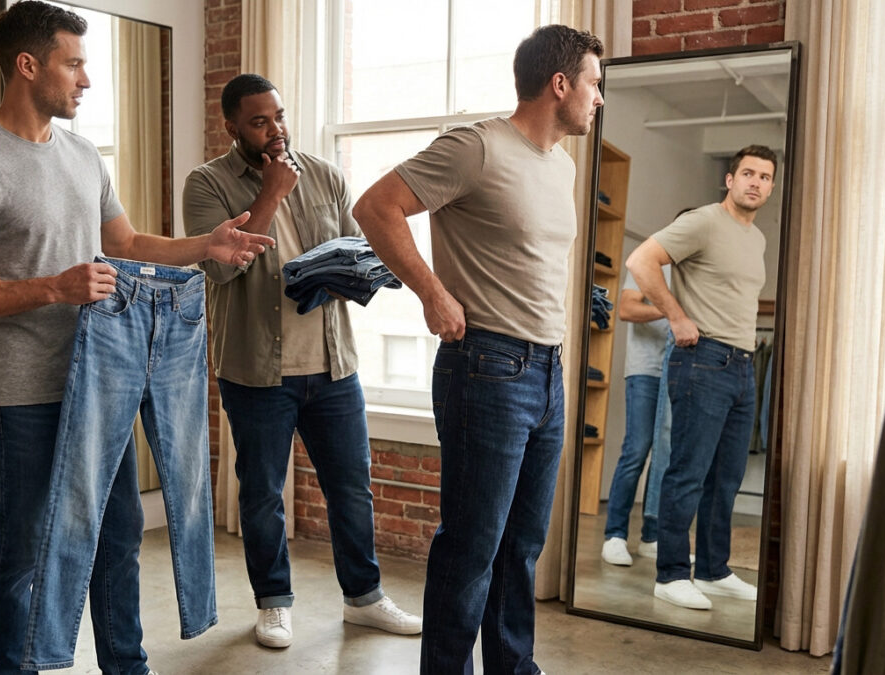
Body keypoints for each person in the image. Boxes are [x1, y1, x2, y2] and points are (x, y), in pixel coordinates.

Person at [0, 3, 272, 673]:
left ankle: (126, 665)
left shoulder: (84, 156)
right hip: (23, 391)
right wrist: (55, 287)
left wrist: (206, 244)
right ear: (28, 66)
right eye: (74, 64)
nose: (87, 81)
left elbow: (128, 243)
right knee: (24, 547)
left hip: (102, 386)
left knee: (118, 533)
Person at [353, 24, 604, 674]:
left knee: (522, 545)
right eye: (594, 84)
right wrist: (433, 293)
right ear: (560, 84)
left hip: (547, 371)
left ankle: (513, 667)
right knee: (473, 546)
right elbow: (377, 206)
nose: (598, 99)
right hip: (487, 369)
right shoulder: (477, 146)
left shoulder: (565, 166)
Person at [181, 73, 421, 650]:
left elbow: (352, 253)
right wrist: (269, 195)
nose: (275, 130)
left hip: (333, 366)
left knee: (351, 489)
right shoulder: (206, 184)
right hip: (255, 372)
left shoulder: (327, 176)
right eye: (259, 121)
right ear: (232, 125)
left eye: (279, 117)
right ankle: (274, 604)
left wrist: (353, 271)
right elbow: (218, 269)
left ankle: (364, 598)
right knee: (262, 492)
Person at [625, 145, 777, 610]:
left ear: (770, 187)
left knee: (726, 477)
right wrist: (675, 316)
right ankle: (671, 575)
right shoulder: (704, 221)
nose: (756, 182)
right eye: (747, 173)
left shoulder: (757, 239)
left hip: (742, 366)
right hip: (703, 359)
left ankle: (713, 569)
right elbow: (640, 261)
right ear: (728, 180)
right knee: (687, 472)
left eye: (765, 177)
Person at [601, 265, 671, 566]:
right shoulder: (651, 267)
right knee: (636, 450)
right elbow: (627, 309)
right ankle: (614, 535)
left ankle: (652, 537)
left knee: (666, 457)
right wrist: (671, 311)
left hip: (679, 373)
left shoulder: (698, 270)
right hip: (646, 371)